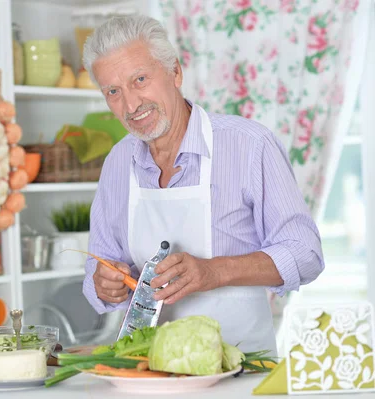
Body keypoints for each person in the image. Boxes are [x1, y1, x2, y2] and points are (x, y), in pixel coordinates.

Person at [81, 15, 324, 355]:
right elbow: (99, 265)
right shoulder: (118, 162)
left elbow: (306, 253)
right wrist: (104, 284)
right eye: (113, 91)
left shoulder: (250, 145)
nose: (131, 105)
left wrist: (214, 271)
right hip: (149, 371)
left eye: (140, 79)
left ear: (175, 72)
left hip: (241, 371)